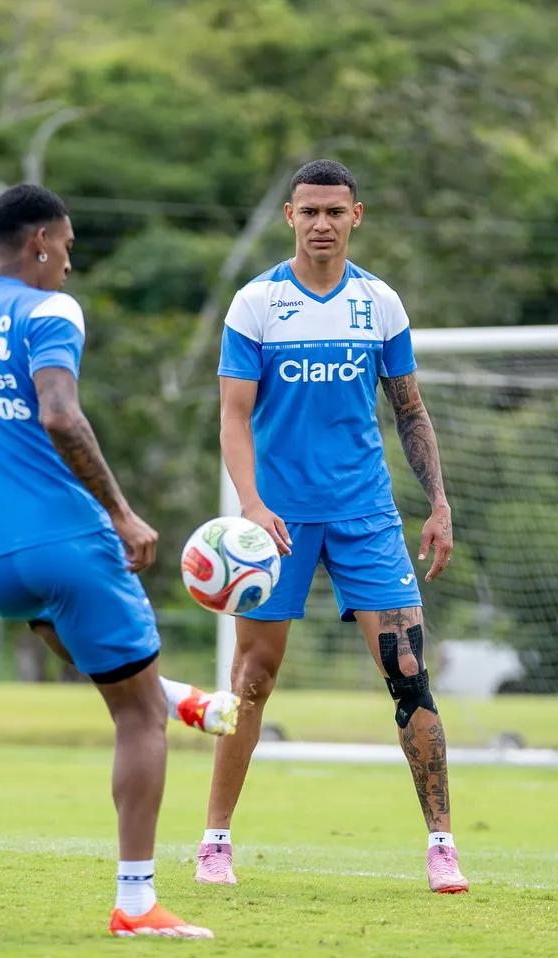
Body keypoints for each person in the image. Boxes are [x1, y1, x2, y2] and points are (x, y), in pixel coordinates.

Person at [0, 183, 231, 938]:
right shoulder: (48, 310)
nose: (69, 264)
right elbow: (60, 414)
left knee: (80, 643)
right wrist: (122, 513)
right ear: (40, 241)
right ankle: (136, 903)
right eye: (68, 247)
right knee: (137, 717)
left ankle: (179, 695)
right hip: (64, 542)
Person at [196, 159, 469, 894]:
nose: (322, 223)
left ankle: (443, 845)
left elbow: (410, 410)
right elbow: (233, 417)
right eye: (310, 211)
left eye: (335, 212)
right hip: (277, 521)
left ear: (357, 216)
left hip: (366, 516)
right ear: (290, 216)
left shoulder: (380, 304)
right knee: (253, 679)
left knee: (409, 673)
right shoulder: (256, 304)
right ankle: (215, 841)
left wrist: (439, 502)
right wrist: (252, 503)